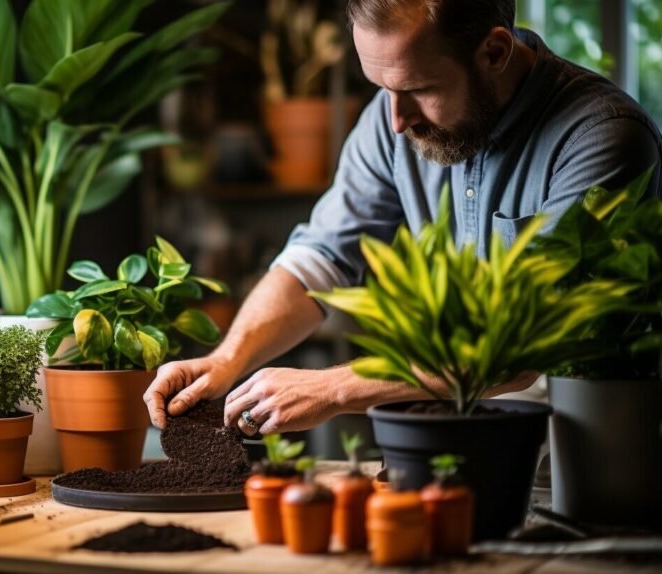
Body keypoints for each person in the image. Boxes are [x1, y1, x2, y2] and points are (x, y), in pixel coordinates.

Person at [143, 0, 662, 436]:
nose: (394, 120)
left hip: (574, 462)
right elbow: (320, 257)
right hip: (454, 451)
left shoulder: (601, 138)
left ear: (494, 52)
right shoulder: (394, 116)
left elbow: (519, 349)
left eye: (419, 89)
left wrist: (333, 387)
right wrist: (226, 360)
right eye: (380, 87)